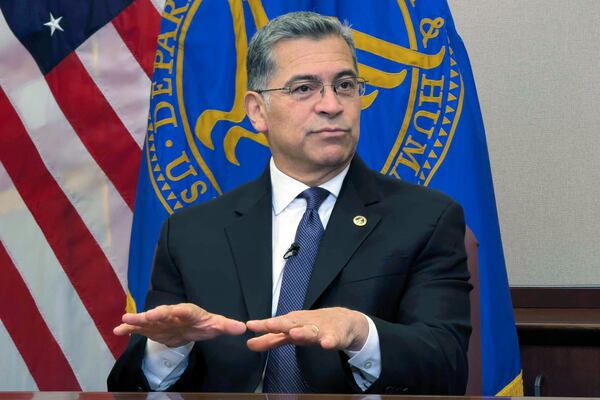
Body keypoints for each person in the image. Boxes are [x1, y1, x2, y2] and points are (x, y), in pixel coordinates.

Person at [107, 11, 471, 394]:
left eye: (345, 85)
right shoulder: (191, 233)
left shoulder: (425, 219)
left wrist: (361, 333)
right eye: (303, 89)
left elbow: (447, 366)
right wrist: (169, 346)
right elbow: (128, 388)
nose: (331, 104)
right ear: (257, 111)